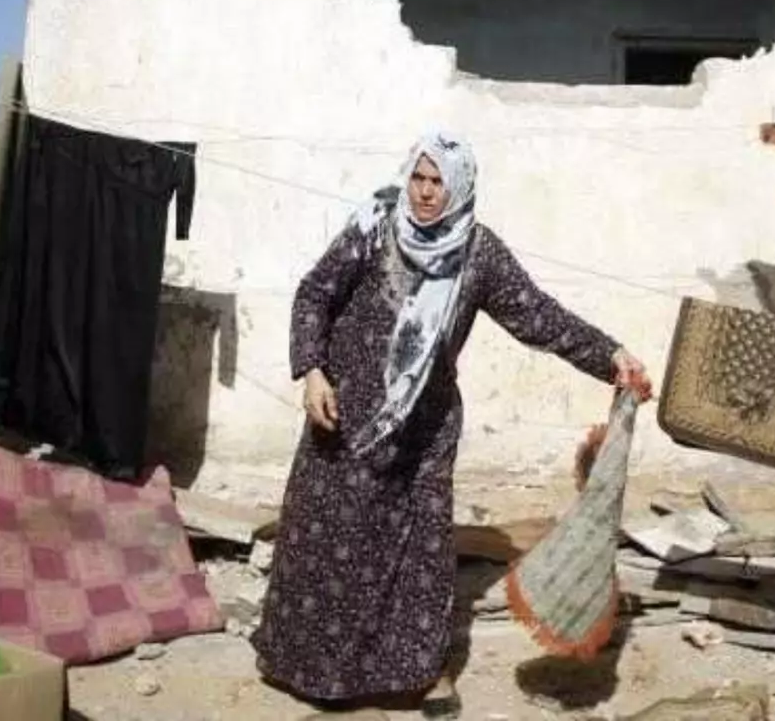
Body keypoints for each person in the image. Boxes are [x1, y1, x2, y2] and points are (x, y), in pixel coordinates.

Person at [250, 132, 654, 717]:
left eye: (438, 182)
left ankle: (427, 673)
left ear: (460, 186)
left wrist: (610, 354)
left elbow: (537, 315)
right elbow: (315, 292)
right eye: (419, 177)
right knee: (331, 544)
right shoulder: (375, 225)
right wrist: (312, 371)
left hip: (425, 429)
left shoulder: (478, 253)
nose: (425, 192)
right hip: (343, 418)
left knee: (422, 554)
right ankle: (313, 669)